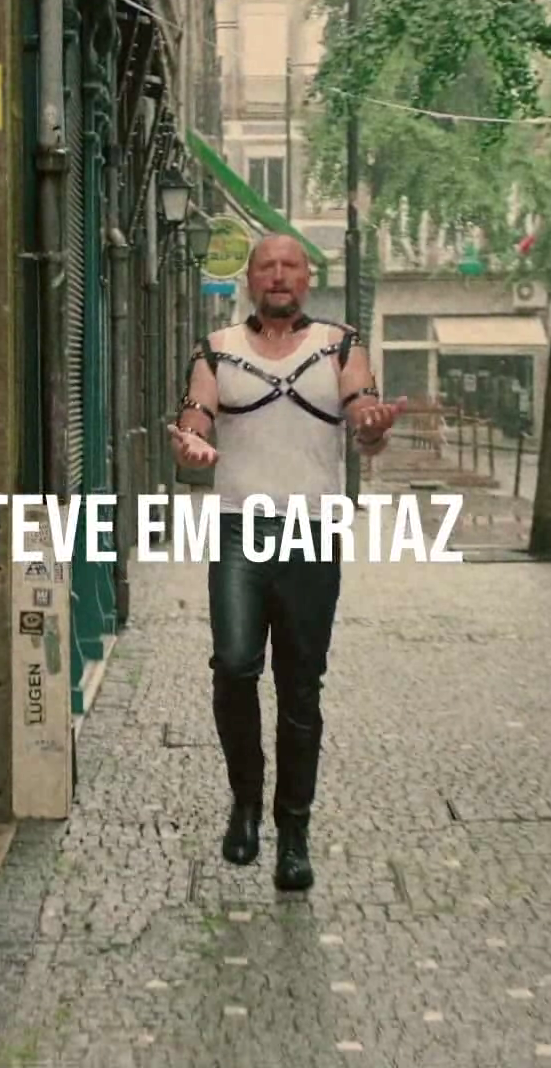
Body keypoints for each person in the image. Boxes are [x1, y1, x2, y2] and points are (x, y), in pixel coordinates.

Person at [167, 234, 404, 891]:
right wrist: (190, 442)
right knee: (234, 665)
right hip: (239, 531)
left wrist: (374, 426)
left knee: (300, 687)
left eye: (290, 266)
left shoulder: (341, 345)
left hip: (311, 532)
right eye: (266, 266)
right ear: (249, 279)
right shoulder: (217, 348)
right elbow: (195, 414)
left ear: (307, 278)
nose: (278, 276)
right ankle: (245, 801)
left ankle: (293, 831)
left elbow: (362, 415)